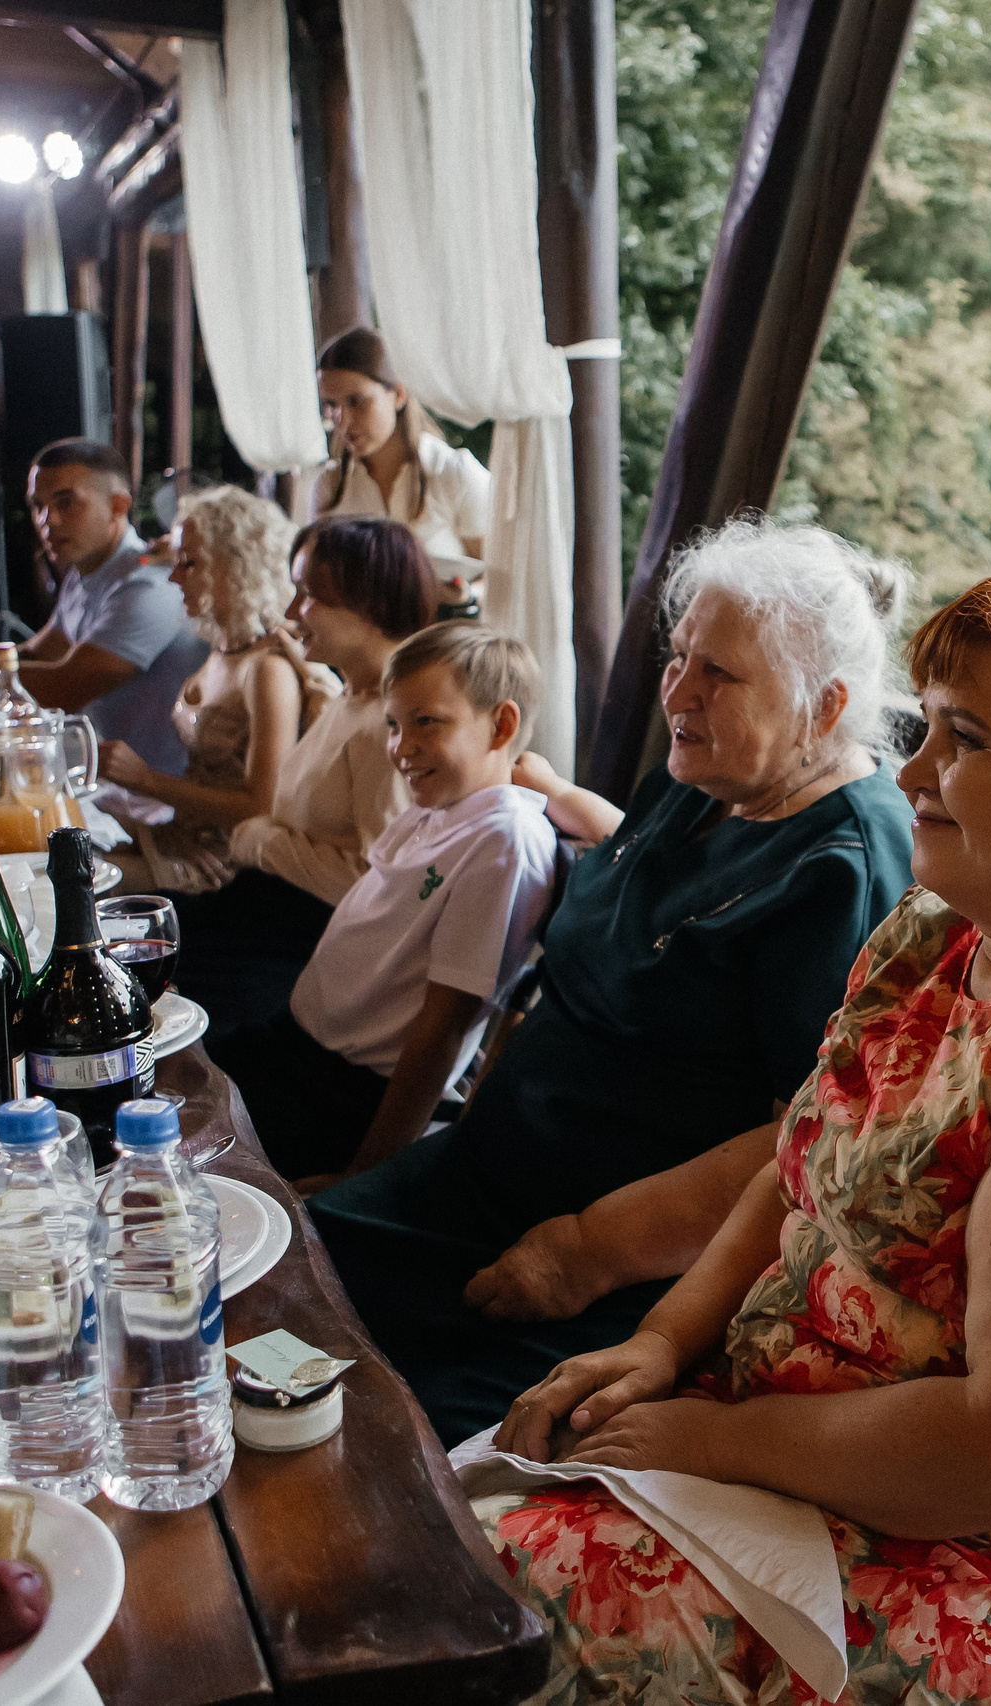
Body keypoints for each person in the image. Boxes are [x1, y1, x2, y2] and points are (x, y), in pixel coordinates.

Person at [481, 540, 991, 1706]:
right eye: (927, 731)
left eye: (965, 739)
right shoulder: (937, 932)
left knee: (500, 1610)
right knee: (436, 1532)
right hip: (786, 1454)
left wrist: (713, 1441)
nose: (911, 776)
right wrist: (661, 1340)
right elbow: (795, 1165)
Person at [307, 519, 915, 1446]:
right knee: (270, 1294)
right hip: (482, 1183)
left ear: (823, 709)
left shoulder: (844, 868)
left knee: (390, 1448)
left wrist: (590, 1249)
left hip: (605, 1267)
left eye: (719, 673)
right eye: (679, 657)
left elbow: (809, 1133)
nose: (680, 690)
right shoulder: (710, 775)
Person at [211, 622, 557, 1179]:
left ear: (502, 724)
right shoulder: (434, 809)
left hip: (344, 1094)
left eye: (427, 723)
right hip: (291, 1047)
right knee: (150, 1070)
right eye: (394, 724)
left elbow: (443, 1028)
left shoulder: (503, 842)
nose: (401, 747)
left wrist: (367, 1174)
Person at [176, 516, 438, 1039]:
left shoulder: (389, 724)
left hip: (299, 942)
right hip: (260, 910)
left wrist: (261, 839)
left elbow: (375, 884)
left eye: (310, 595)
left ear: (371, 607)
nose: (293, 611)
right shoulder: (349, 694)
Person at [95, 485, 334, 893]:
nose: (172, 577)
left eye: (189, 564)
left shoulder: (266, 670)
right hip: (181, 836)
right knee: (60, 849)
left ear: (238, 566)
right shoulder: (224, 647)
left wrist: (147, 781)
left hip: (226, 865)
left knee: (70, 890)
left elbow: (263, 805)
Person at [0, 439, 208, 778]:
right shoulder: (86, 570)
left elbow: (63, 689)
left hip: (157, 801)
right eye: (37, 505)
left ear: (119, 506)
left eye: (66, 503)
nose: (47, 520)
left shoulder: (149, 584)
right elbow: (38, 653)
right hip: (103, 782)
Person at [313, 327, 494, 616]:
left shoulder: (453, 472)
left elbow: (504, 576)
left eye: (356, 401)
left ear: (398, 394)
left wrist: (466, 595)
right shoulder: (330, 486)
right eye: (331, 405)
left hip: (447, 644)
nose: (342, 421)